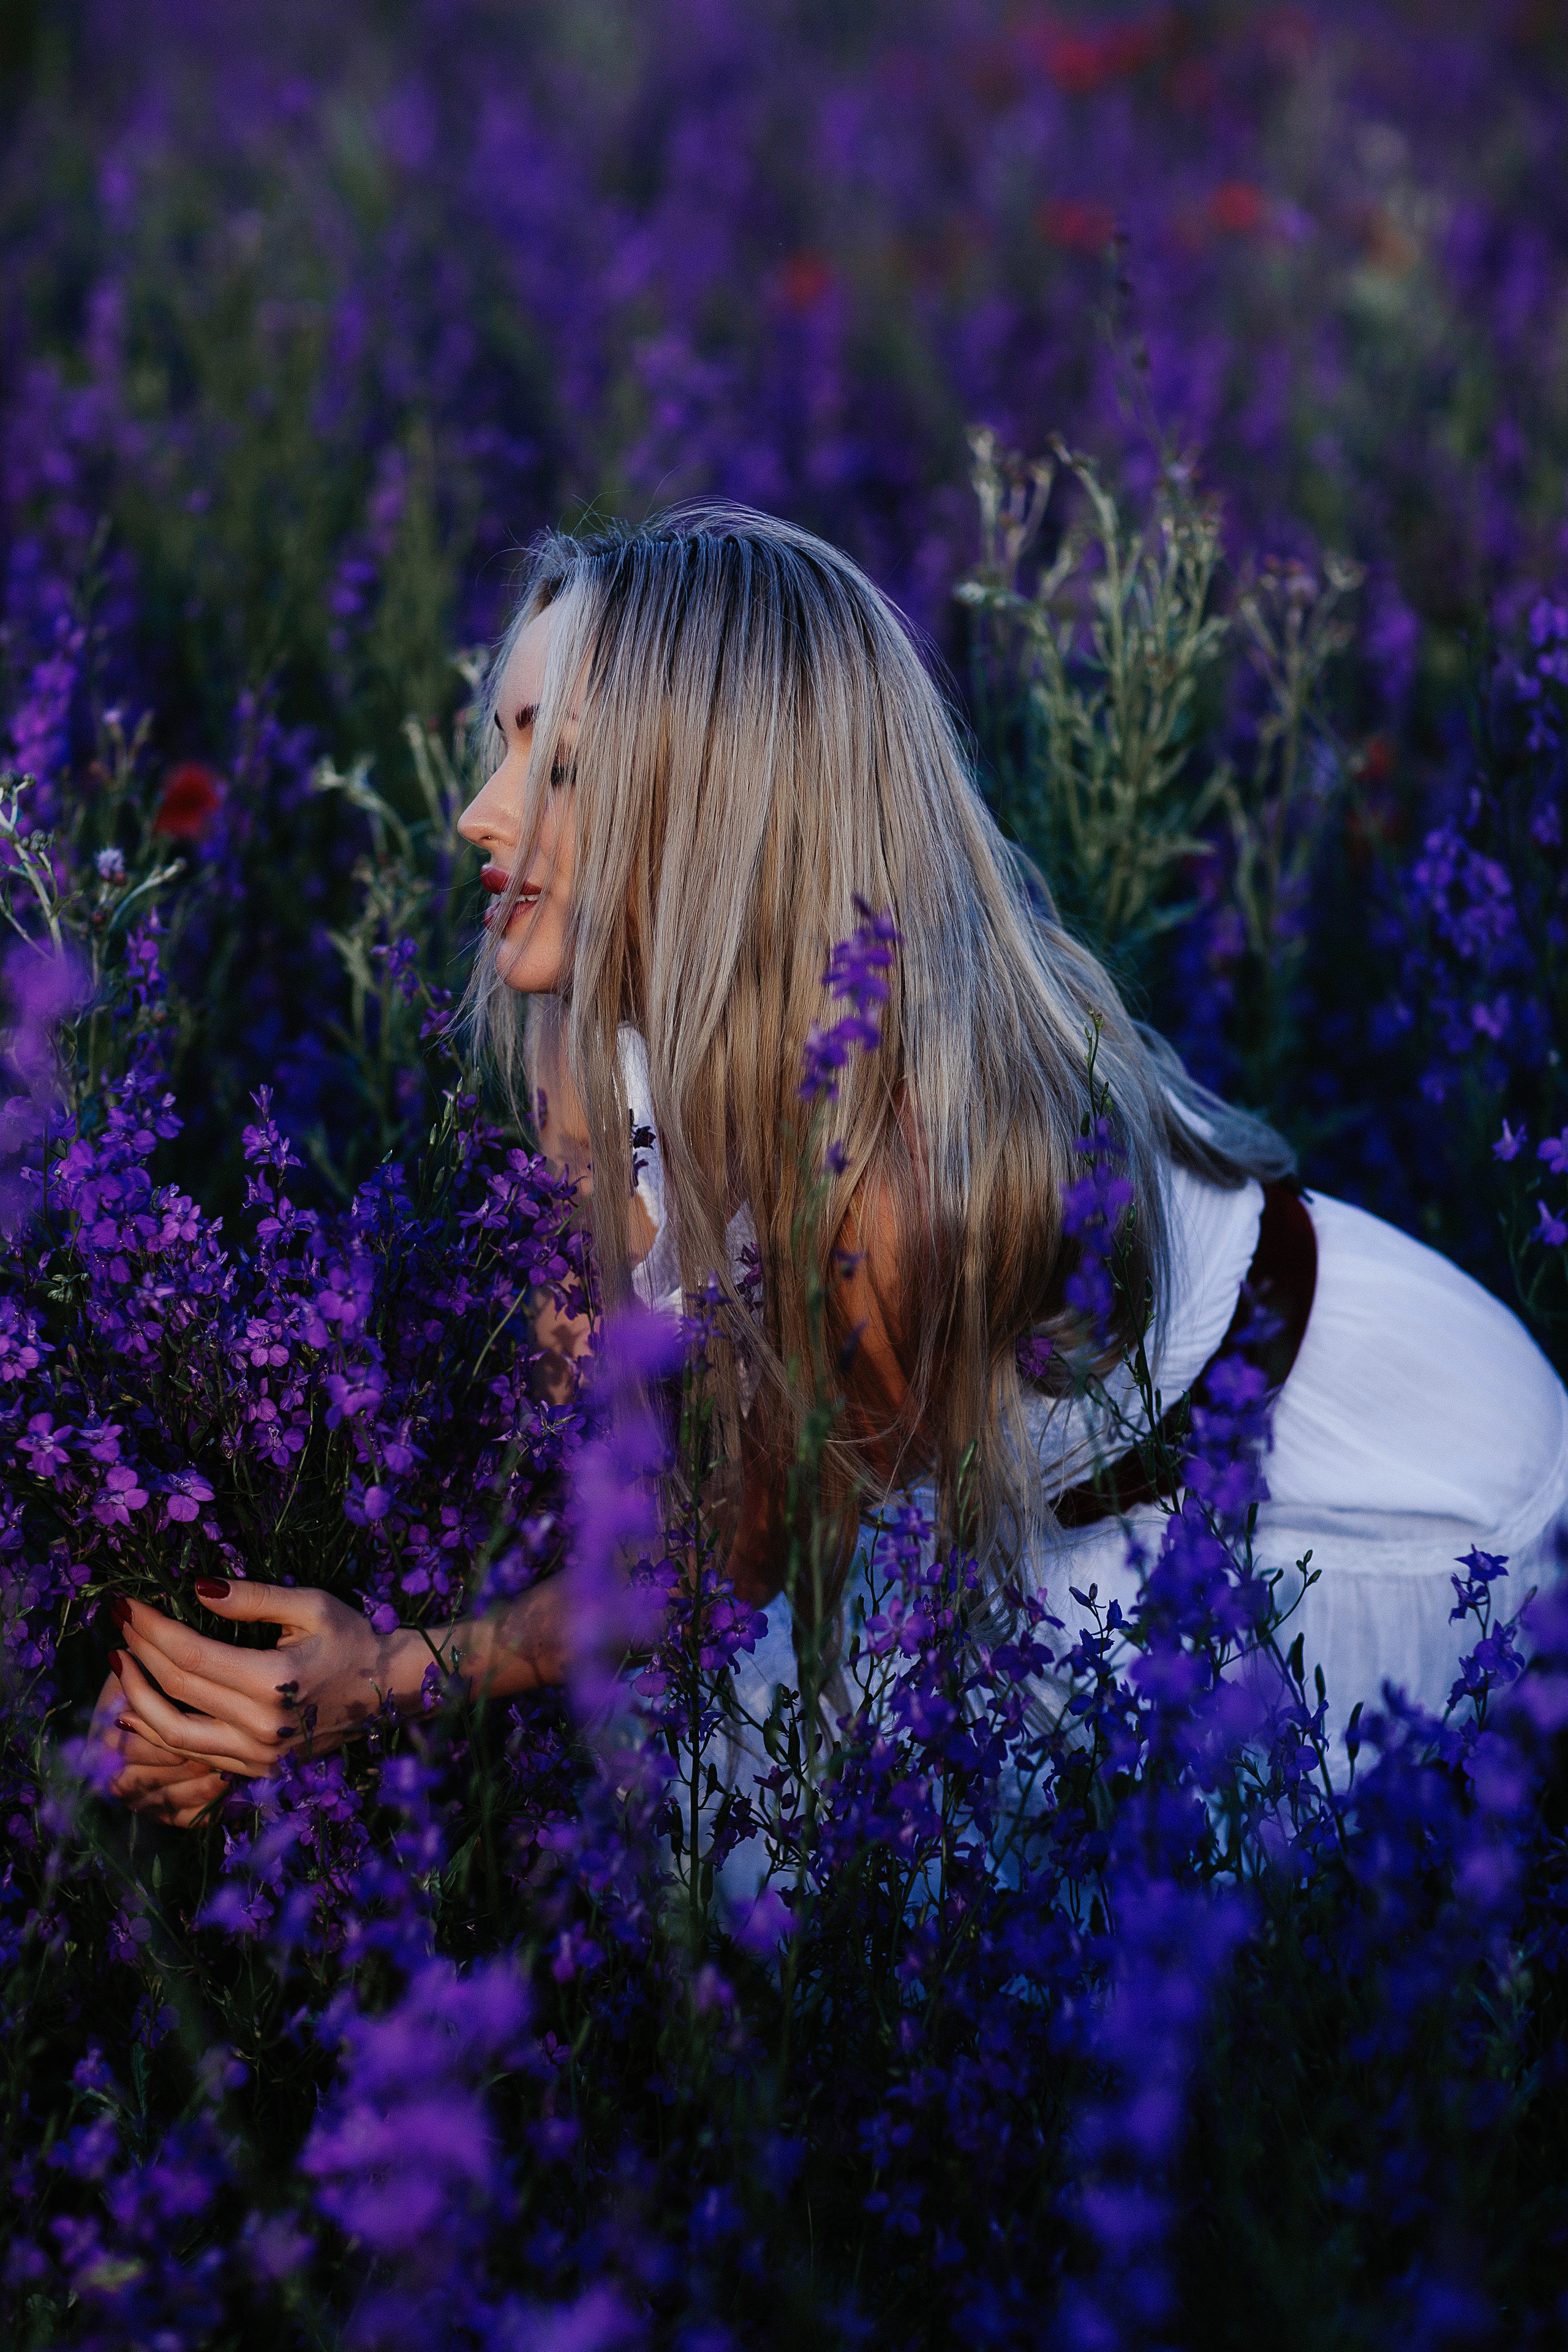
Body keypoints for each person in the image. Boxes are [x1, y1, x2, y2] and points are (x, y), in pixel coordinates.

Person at [97, 510, 1568, 1826]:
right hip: (1026, 1502)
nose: (479, 811)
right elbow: (587, 1404)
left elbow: (724, 1557)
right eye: (501, 743)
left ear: (715, 802)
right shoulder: (597, 1027)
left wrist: (385, 1678)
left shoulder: (894, 1168)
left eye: (557, 761)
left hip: (1366, 1496)